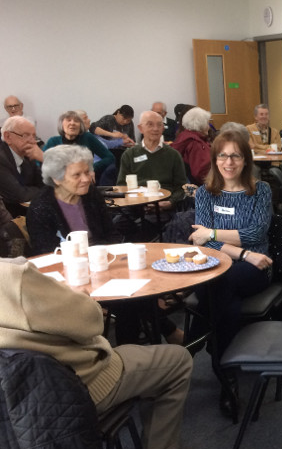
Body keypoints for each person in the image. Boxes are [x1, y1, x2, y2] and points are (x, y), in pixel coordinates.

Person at [0, 256, 200, 449]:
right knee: (178, 360)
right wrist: (81, 296)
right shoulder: (16, 278)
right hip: (76, 389)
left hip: (13, 413)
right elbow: (91, 322)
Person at [26, 145, 184, 345]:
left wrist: (109, 259)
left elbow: (111, 233)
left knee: (138, 285)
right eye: (77, 175)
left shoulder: (90, 195)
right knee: (129, 300)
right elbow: (46, 256)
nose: (86, 179)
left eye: (87, 172)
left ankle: (143, 347)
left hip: (103, 264)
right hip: (71, 277)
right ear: (56, 179)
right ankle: (145, 343)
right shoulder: (41, 208)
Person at [188, 129, 273, 417]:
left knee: (214, 288)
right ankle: (227, 373)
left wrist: (212, 233)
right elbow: (203, 241)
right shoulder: (205, 193)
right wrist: (242, 252)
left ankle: (195, 345)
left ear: (246, 160)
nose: (229, 162)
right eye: (222, 155)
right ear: (214, 160)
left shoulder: (260, 190)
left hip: (254, 270)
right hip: (239, 261)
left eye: (235, 155)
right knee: (223, 294)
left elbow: (255, 232)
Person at [117, 111, 187, 209]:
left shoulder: (173, 155)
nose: (155, 129)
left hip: (165, 204)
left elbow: (182, 187)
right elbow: (121, 186)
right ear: (140, 128)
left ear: (163, 128)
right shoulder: (129, 155)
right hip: (136, 205)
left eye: (159, 125)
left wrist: (171, 202)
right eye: (150, 124)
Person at [43, 110, 114, 178]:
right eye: (68, 120)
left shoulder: (87, 137)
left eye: (76, 121)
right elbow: (41, 162)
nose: (72, 123)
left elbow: (110, 157)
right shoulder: (53, 141)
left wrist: (91, 168)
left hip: (84, 180)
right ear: (61, 124)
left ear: (80, 125)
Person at [0, 116, 44, 216]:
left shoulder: (26, 154)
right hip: (8, 219)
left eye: (34, 136)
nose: (32, 141)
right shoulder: (1, 159)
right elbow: (18, 194)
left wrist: (43, 159)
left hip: (26, 211)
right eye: (26, 135)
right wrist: (42, 190)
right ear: (8, 137)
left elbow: (44, 182)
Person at [172, 107, 212, 185]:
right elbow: (201, 172)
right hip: (202, 187)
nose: (209, 127)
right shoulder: (195, 143)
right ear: (201, 125)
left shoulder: (184, 136)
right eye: (207, 123)